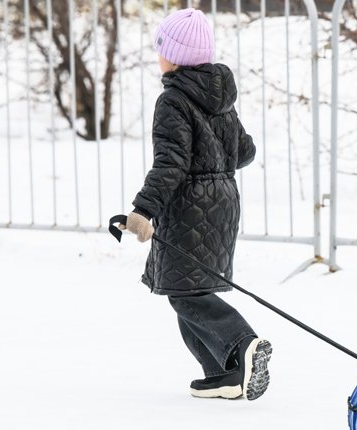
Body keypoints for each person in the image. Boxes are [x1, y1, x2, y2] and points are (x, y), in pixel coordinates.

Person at [120, 8, 271, 401]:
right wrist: (217, 155)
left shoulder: (172, 101)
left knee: (185, 292)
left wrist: (143, 210)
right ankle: (225, 374)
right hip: (223, 201)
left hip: (190, 204)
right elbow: (245, 151)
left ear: (171, 54)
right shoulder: (221, 97)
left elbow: (171, 163)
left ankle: (242, 344)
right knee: (184, 286)